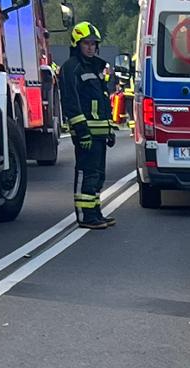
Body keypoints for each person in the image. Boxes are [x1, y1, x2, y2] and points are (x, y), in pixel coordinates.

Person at [59, 22, 116, 229]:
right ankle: (85, 216)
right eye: (86, 43)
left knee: (98, 175)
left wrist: (110, 130)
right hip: (86, 133)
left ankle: (95, 212)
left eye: (94, 43)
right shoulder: (71, 68)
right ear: (77, 44)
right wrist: (82, 132)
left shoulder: (96, 67)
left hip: (100, 133)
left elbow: (102, 101)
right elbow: (71, 103)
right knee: (86, 172)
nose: (91, 47)